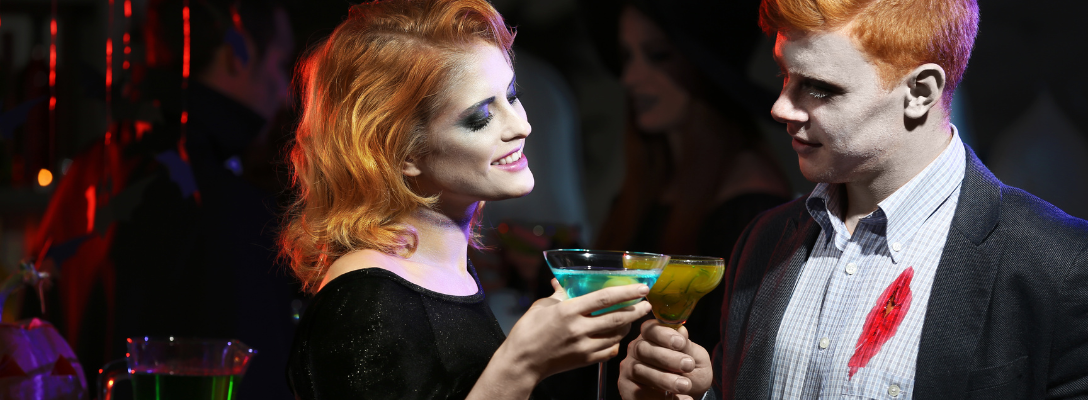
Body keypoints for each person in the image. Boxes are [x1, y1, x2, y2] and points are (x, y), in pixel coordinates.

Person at [617, 0, 1088, 399]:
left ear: (919, 92)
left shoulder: (1058, 265)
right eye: (784, 77)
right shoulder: (765, 239)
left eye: (818, 88)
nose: (781, 107)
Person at [280, 1, 652, 398]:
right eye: (480, 117)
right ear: (402, 153)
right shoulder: (366, 302)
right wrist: (521, 364)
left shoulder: (438, 274)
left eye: (512, 96)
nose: (522, 125)